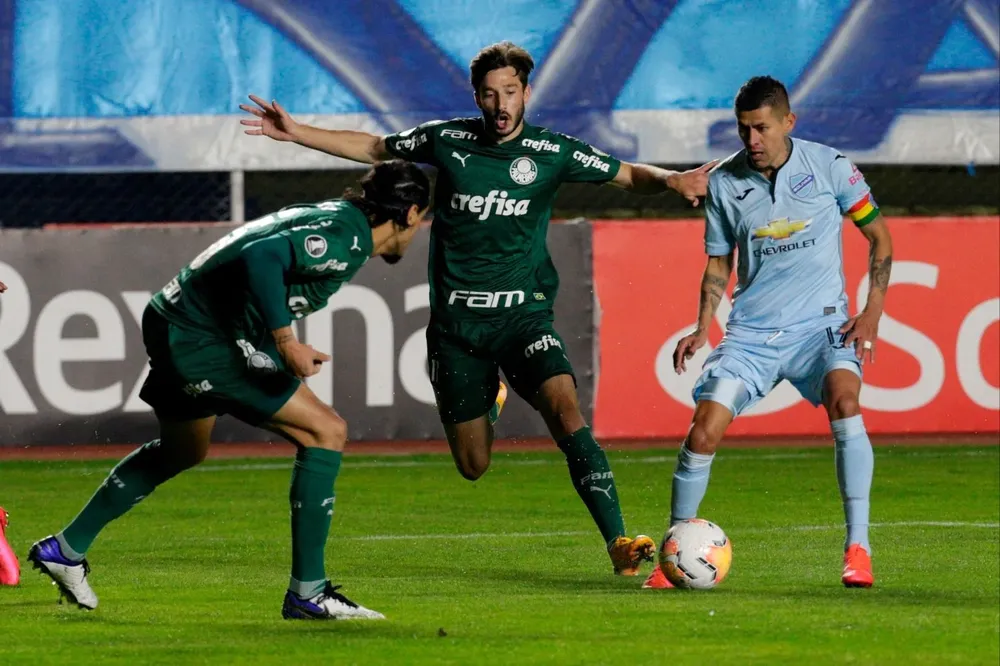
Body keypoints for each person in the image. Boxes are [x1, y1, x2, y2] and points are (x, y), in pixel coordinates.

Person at [241, 41, 715, 576]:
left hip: (523, 319)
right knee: (473, 465)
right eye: (489, 94)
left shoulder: (552, 151)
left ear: (526, 92)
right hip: (457, 332)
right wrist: (296, 131)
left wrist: (671, 179)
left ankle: (618, 542)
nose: (500, 104)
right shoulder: (447, 140)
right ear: (477, 97)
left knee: (565, 411)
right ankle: (492, 397)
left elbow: (627, 175)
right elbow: (375, 147)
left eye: (509, 91)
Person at [28, 160, 431, 619]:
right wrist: (286, 342)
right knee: (326, 431)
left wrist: (275, 350)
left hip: (179, 320)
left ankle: (65, 549)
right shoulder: (347, 237)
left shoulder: (334, 218)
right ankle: (308, 593)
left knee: (183, 451)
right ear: (411, 213)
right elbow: (262, 257)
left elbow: (255, 273)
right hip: (202, 335)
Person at [643, 76, 892, 590]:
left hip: (820, 328)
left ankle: (859, 549)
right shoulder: (723, 183)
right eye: (743, 129)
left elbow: (880, 238)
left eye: (761, 128)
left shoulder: (831, 167)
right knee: (702, 431)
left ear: (787, 122)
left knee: (846, 402)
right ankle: (673, 553)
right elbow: (719, 264)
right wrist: (702, 327)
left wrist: (872, 313)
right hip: (751, 337)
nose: (751, 139)